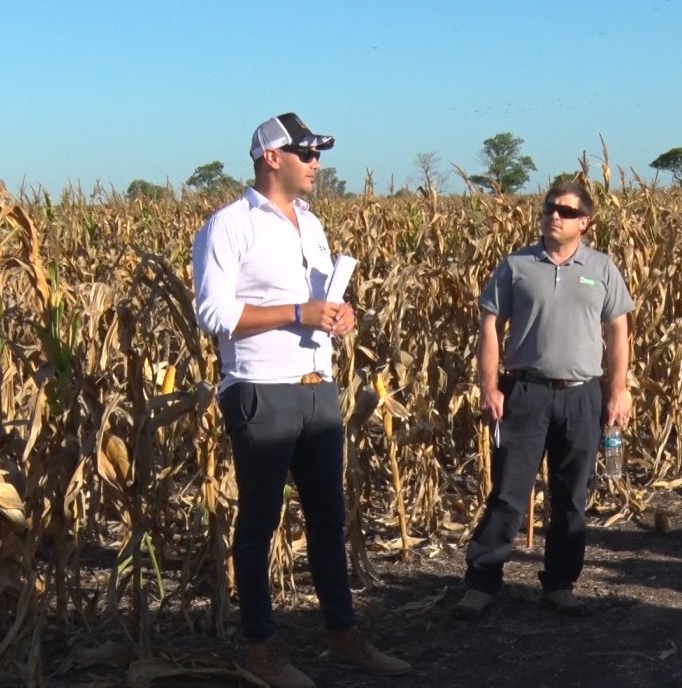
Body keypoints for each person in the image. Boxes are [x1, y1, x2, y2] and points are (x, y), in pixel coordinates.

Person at [192, 113, 410, 688]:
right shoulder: (229, 226)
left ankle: (344, 636)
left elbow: (319, 302)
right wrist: (298, 313)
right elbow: (214, 315)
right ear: (272, 158)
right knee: (260, 523)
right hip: (261, 391)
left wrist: (340, 315)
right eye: (307, 153)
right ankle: (261, 647)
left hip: (319, 388)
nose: (317, 163)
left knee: (328, 517)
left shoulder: (309, 223)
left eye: (318, 154)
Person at [452, 180, 634, 620]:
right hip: (526, 393)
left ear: (585, 223)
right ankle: (481, 583)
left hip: (582, 396)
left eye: (567, 212)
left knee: (571, 496)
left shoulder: (602, 268)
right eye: (550, 208)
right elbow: (491, 327)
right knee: (510, 493)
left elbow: (618, 331)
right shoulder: (516, 266)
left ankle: (559, 584)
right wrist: (489, 386)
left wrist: (619, 389)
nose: (555, 216)